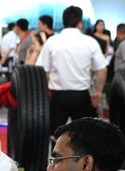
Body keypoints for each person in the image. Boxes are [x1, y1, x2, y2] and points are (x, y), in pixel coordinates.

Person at [36, 6, 107, 134]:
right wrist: (98, 92)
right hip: (81, 96)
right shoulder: (90, 42)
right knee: (83, 137)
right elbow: (102, 69)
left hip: (57, 96)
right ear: (80, 24)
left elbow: (40, 69)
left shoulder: (52, 42)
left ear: (63, 22)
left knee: (55, 136)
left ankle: (56, 154)